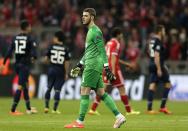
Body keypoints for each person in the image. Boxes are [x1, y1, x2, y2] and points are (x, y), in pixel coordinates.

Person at [64, 8, 126, 128]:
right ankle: (119, 116)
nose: (83, 17)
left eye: (86, 16)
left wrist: (107, 67)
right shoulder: (90, 31)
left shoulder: (96, 31)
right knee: (101, 93)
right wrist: (80, 64)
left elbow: (102, 50)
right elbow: (89, 52)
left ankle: (79, 122)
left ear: (92, 17)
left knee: (84, 91)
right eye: (83, 15)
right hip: (92, 64)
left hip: (92, 66)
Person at [88, 27, 140, 115]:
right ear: (118, 34)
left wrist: (125, 64)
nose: (122, 36)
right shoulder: (116, 43)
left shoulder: (108, 43)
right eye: (121, 34)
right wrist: (113, 72)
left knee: (102, 90)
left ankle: (92, 109)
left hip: (105, 67)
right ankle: (129, 111)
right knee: (122, 89)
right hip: (113, 68)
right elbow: (113, 57)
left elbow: (110, 57)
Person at [1, 20, 37, 115]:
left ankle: (28, 109)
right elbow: (34, 52)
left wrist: (4, 62)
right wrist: (33, 57)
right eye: (29, 26)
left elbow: (9, 51)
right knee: (21, 86)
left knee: (25, 86)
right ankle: (13, 109)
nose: (30, 28)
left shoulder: (15, 38)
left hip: (17, 65)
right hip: (24, 65)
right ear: (27, 27)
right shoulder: (29, 38)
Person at [147, 25, 172, 114]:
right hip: (158, 64)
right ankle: (162, 107)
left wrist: (152, 61)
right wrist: (159, 68)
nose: (164, 32)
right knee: (168, 84)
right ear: (160, 31)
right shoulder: (158, 41)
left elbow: (150, 52)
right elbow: (157, 55)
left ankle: (149, 109)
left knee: (153, 85)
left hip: (151, 63)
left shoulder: (151, 40)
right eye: (164, 30)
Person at [44, 31, 70, 114]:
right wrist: (66, 73)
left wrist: (50, 64)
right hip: (60, 71)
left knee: (49, 88)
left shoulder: (51, 47)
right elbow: (66, 62)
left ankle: (46, 107)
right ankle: (54, 109)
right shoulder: (65, 49)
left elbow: (45, 60)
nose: (53, 39)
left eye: (54, 37)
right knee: (57, 90)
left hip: (51, 69)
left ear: (57, 38)